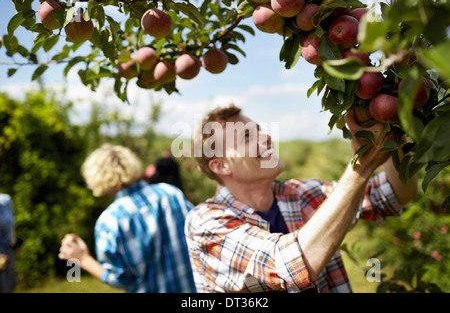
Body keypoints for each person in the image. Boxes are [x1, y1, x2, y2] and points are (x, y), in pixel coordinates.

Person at [184, 103, 417, 293]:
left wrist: (390, 127)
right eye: (247, 136)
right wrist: (362, 167)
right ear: (221, 166)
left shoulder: (300, 194)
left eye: (259, 130)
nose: (265, 137)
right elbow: (287, 268)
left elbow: (394, 194)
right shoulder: (206, 222)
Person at [58, 144, 196, 293]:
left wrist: (82, 259)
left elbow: (120, 279)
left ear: (96, 178)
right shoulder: (171, 193)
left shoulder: (110, 221)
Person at [0, 194, 17, 293]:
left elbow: (12, 222)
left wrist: (13, 240)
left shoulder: (5, 199)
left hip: (6, 250)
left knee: (9, 284)